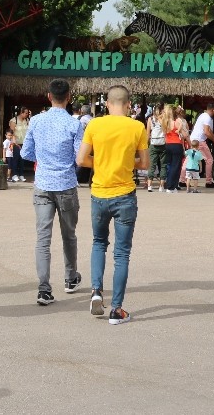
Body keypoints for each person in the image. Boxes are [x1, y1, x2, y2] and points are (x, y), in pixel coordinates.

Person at [76, 85, 149, 325]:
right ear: (128, 105)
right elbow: (145, 163)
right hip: (125, 195)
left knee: (98, 243)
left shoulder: (95, 125)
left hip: (99, 194)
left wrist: (102, 163)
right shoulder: (137, 127)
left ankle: (96, 291)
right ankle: (117, 309)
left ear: (107, 104)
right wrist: (125, 162)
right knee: (122, 253)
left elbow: (81, 159)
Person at [21, 79, 83, 306]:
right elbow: (80, 158)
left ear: (49, 96)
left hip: (43, 185)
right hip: (66, 184)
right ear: (68, 97)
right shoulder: (75, 125)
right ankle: (70, 278)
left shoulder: (36, 121)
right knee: (69, 235)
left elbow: (26, 153)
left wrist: (45, 161)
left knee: (43, 238)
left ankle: (44, 289)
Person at [186, 103, 214, 187]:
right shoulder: (207, 118)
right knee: (209, 160)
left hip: (193, 139)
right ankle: (209, 181)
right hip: (199, 141)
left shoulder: (202, 115)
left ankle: (182, 180)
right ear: (213, 110)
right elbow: (207, 131)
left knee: (189, 159)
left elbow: (209, 131)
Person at [162, 104, 189, 193]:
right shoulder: (176, 122)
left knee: (169, 165)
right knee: (176, 166)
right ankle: (171, 186)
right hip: (176, 144)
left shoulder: (165, 122)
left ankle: (168, 185)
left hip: (168, 144)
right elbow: (185, 135)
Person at [145, 102, 167, 192]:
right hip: (163, 143)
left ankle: (149, 185)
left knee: (152, 165)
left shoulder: (150, 119)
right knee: (163, 165)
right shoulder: (164, 119)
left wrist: (146, 144)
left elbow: (147, 133)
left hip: (153, 143)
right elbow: (166, 131)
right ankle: (161, 186)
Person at [9, 107, 31, 182]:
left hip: (24, 143)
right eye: (26, 113)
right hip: (16, 143)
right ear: (21, 112)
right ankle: (14, 174)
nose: (27, 115)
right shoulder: (14, 120)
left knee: (22, 159)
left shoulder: (27, 120)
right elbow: (11, 133)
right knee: (16, 158)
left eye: (27, 113)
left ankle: (21, 174)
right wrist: (14, 143)